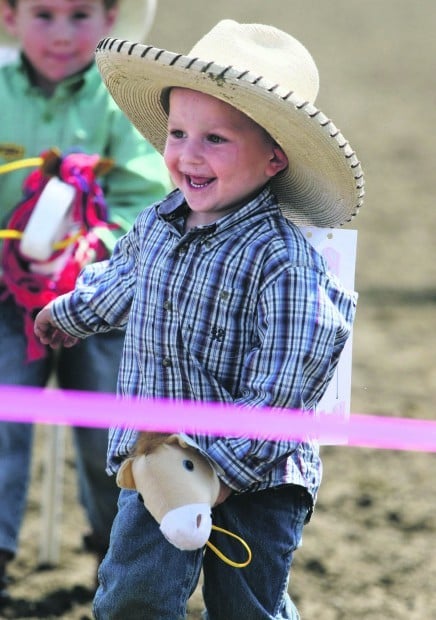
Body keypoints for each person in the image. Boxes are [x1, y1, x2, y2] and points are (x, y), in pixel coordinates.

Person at [34, 19, 364, 620]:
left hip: (259, 475)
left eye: (216, 139)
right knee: (134, 591)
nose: (188, 153)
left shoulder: (284, 259)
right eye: (178, 132)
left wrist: (229, 469)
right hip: (160, 455)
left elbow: (293, 375)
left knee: (245, 604)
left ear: (273, 159)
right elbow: (122, 282)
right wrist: (70, 315)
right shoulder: (157, 227)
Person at [0, 0, 171, 605]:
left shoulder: (123, 101)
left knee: (110, 425)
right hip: (4, 297)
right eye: (43, 14)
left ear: (110, 19)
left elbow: (146, 192)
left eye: (80, 14)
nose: (62, 33)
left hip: (99, 301)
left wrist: (95, 246)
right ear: (9, 16)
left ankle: (115, 541)